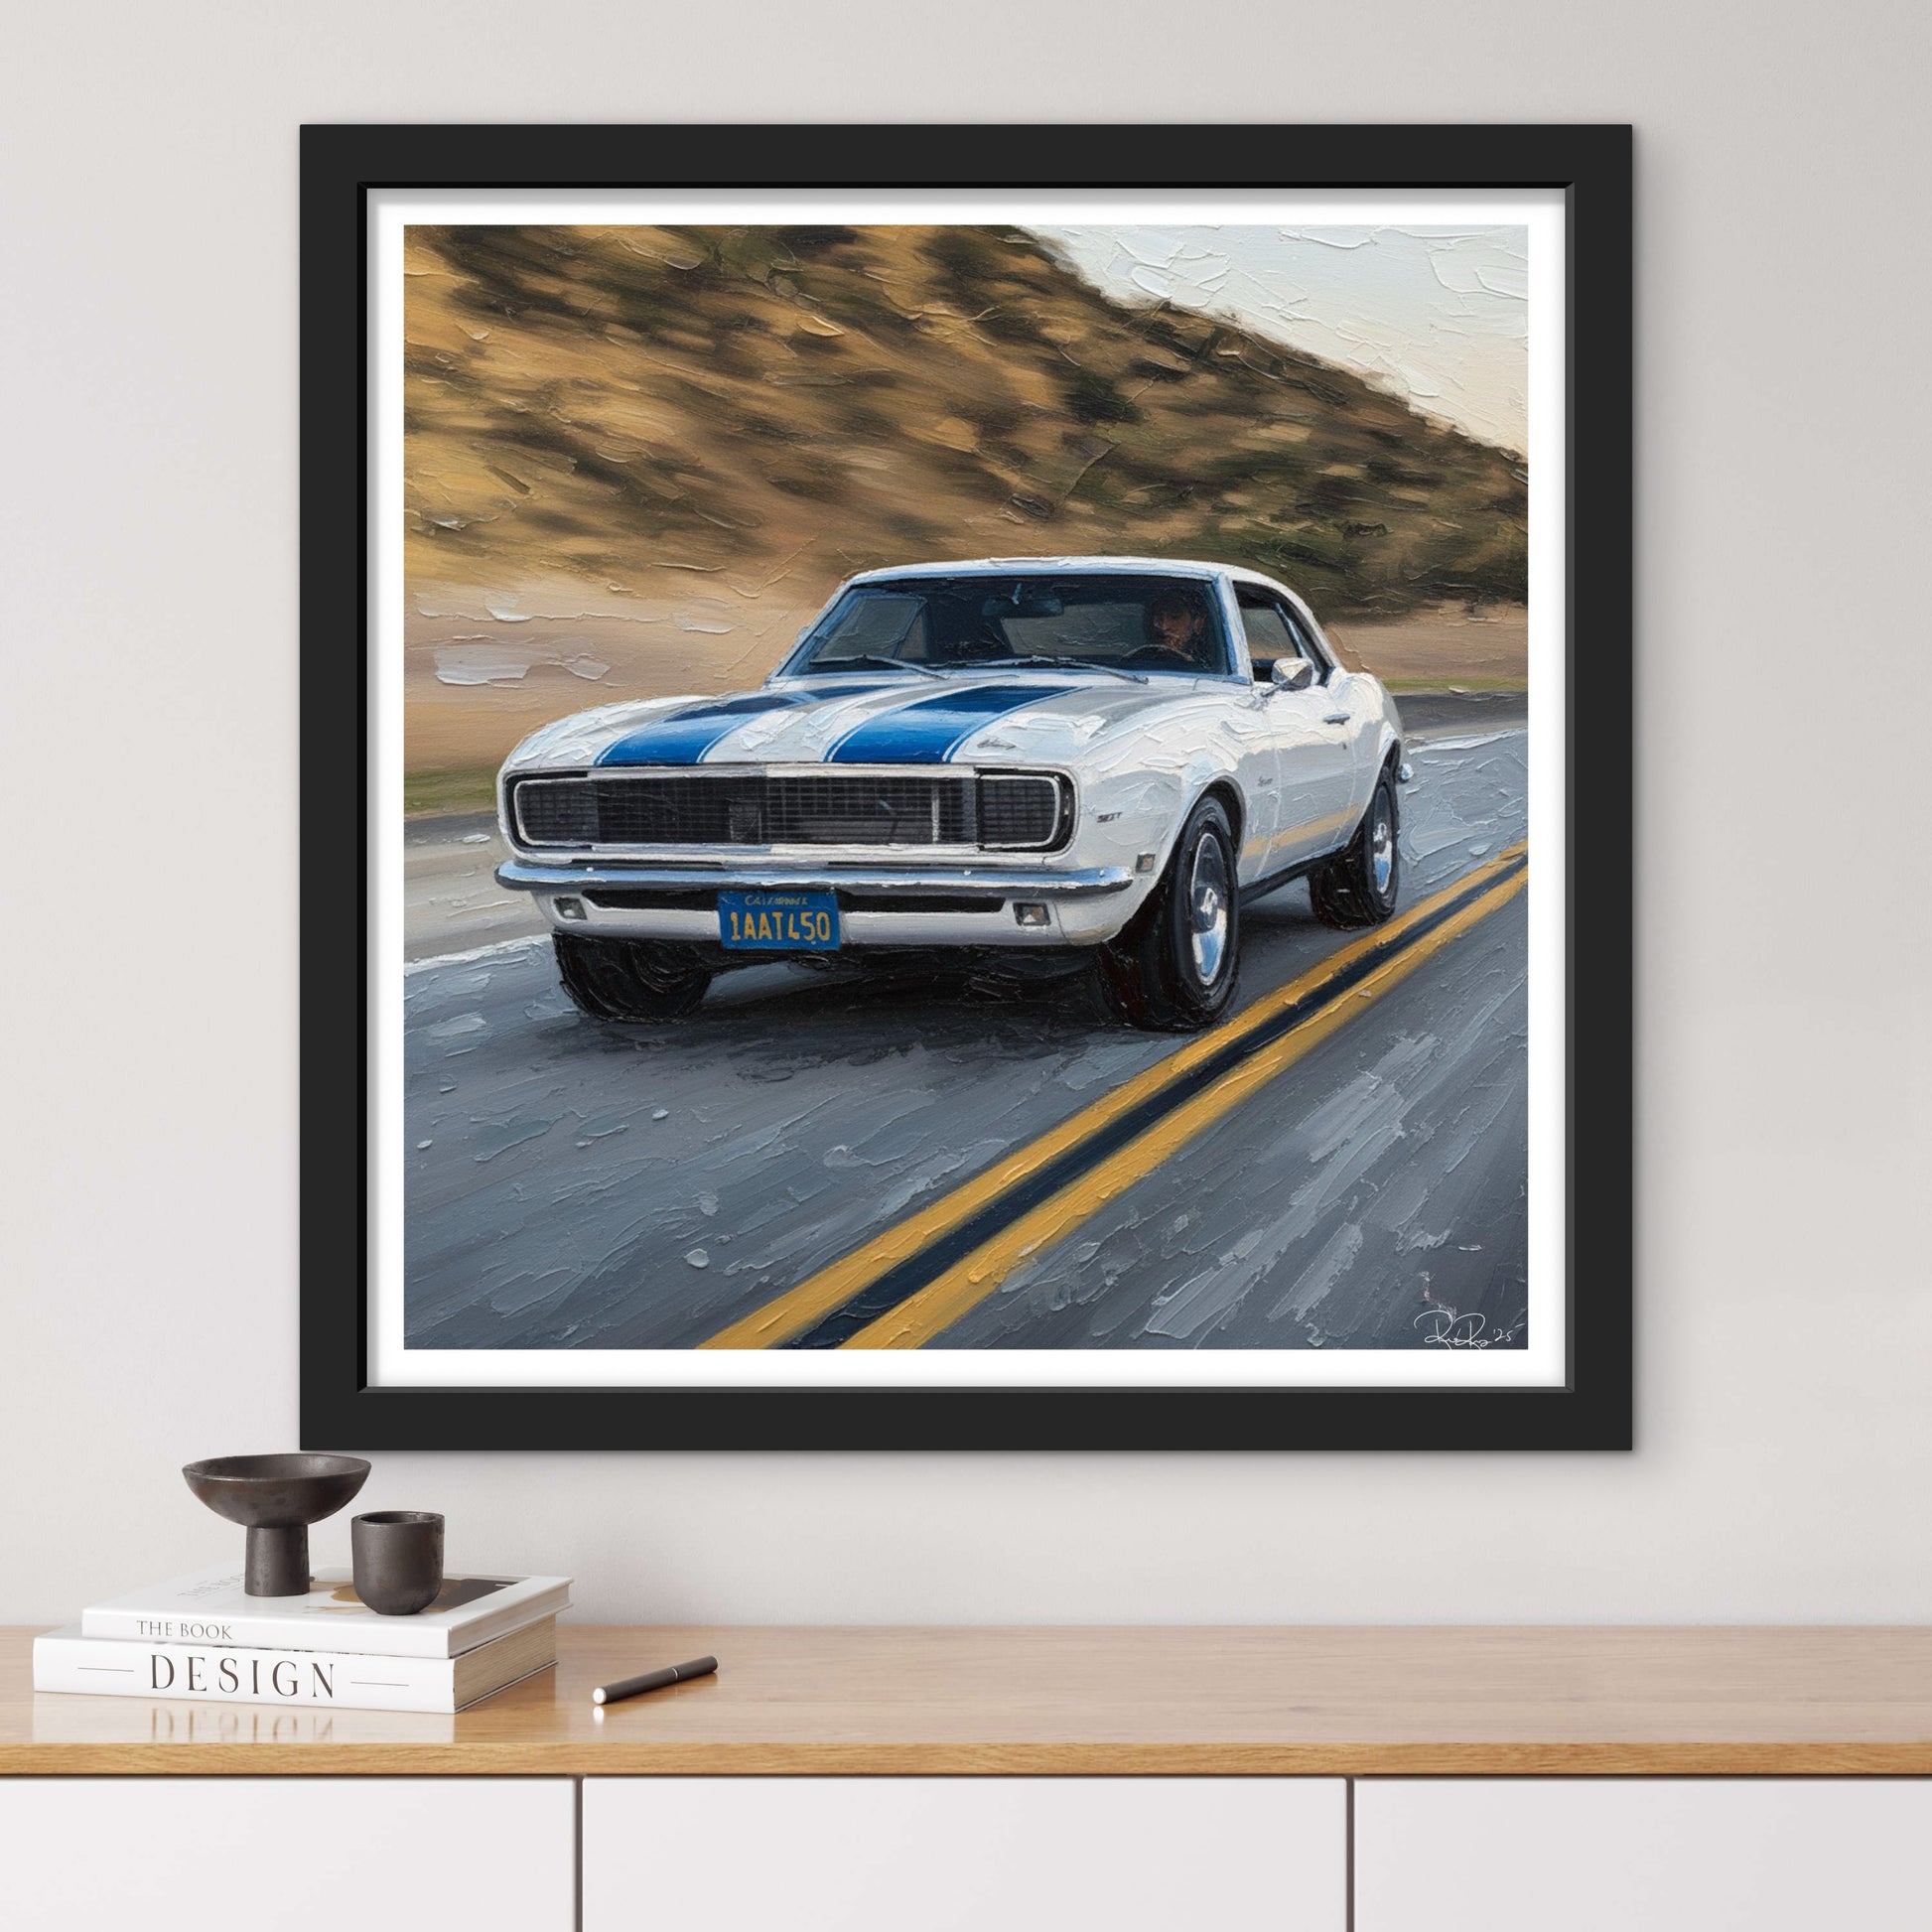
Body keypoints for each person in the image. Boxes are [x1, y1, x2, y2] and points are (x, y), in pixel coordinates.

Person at [1144, 589, 1214, 668]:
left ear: (1198, 624)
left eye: (1174, 616)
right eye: (1158, 618)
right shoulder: (1135, 663)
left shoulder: (1210, 670)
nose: (1164, 627)